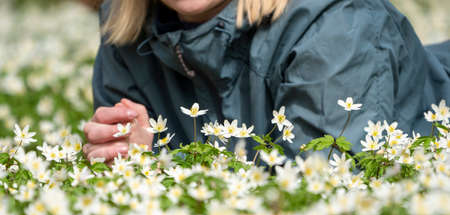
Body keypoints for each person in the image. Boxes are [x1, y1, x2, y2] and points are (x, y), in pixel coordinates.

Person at [83, 0, 450, 163]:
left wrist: (163, 167)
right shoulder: (125, 33)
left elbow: (323, 193)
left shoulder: (337, 22)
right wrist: (129, 159)